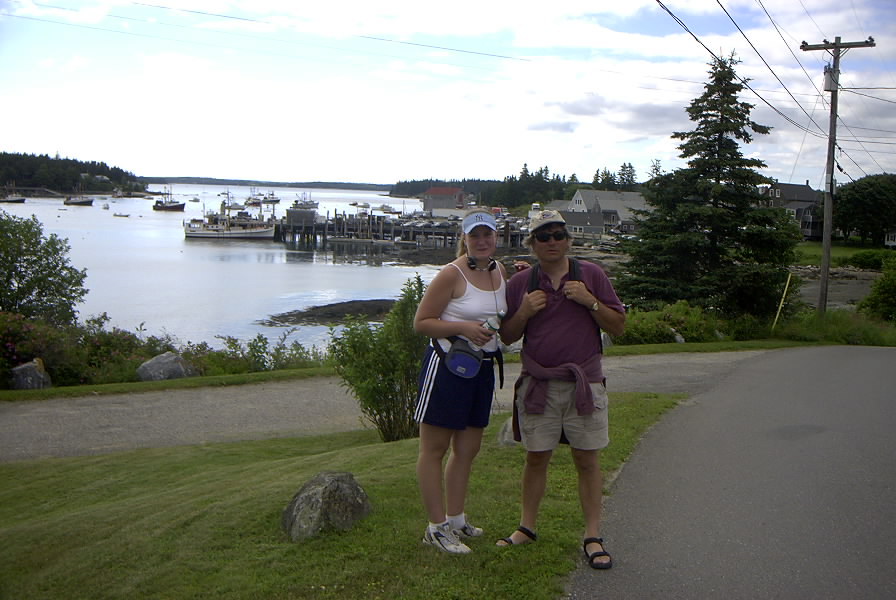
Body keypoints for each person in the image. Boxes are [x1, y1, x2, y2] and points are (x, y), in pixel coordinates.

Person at [496, 209, 625, 570]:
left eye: (558, 235)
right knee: (536, 457)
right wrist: (523, 312)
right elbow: (507, 336)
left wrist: (590, 301)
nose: (552, 241)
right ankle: (526, 528)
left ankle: (593, 536)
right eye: (543, 236)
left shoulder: (592, 276)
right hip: (539, 386)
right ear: (532, 243)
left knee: (587, 459)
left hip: (585, 384)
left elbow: (618, 327)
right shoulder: (521, 284)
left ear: (568, 239)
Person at [412, 208, 509, 554]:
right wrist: (462, 328)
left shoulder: (500, 271)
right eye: (475, 235)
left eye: (488, 235)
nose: (482, 241)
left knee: (467, 449)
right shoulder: (450, 275)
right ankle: (435, 527)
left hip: (481, 369)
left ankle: (456, 519)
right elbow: (422, 322)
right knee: (433, 449)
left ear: (497, 237)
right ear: (464, 239)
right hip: (446, 367)